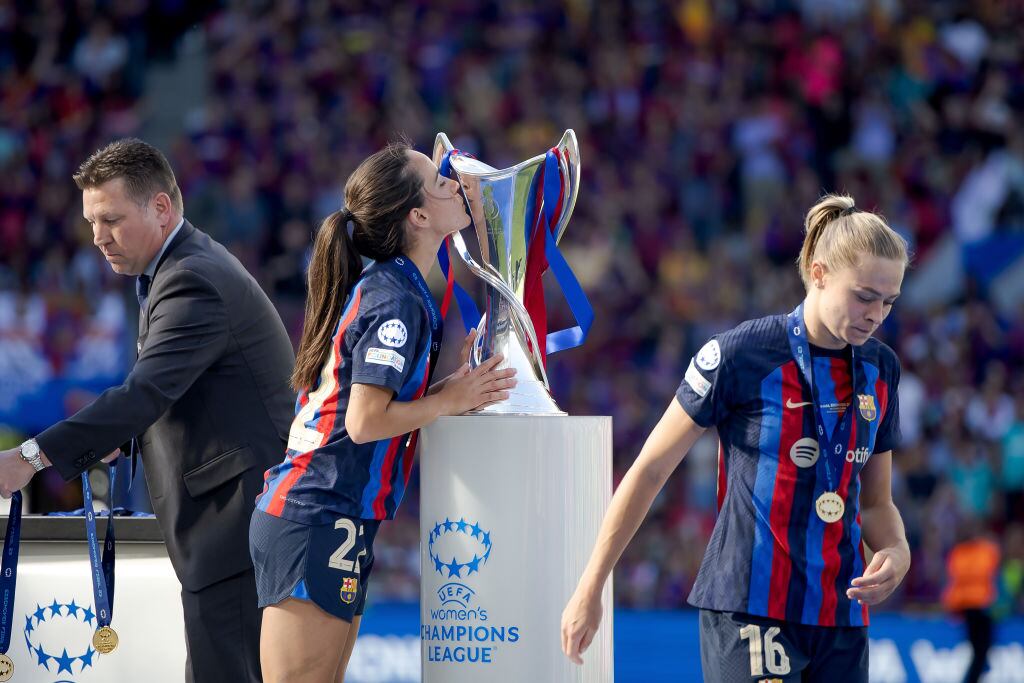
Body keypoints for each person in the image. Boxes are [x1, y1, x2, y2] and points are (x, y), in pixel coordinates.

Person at [562, 194, 910, 682]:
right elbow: (650, 469)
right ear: (819, 272)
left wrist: (897, 549)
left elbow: (875, 503)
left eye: (889, 300)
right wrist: (591, 585)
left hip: (841, 618)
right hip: (750, 610)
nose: (876, 314)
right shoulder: (740, 354)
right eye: (864, 296)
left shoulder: (881, 368)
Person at [0, 138, 296, 682]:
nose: (97, 238)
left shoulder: (191, 279)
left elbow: (144, 395)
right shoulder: (177, 267)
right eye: (92, 222)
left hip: (233, 527)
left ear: (161, 208)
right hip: (234, 525)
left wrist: (29, 457)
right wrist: (126, 436)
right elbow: (181, 391)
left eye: (110, 219)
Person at [249, 141, 516, 683]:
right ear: (418, 216)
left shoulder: (402, 289)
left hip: (337, 514)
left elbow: (375, 405)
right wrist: (449, 400)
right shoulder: (394, 297)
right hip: (315, 510)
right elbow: (364, 421)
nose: (455, 184)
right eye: (441, 183)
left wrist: (451, 387)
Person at [943, 516, 1001, 683]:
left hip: (971, 608)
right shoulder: (986, 550)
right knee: (980, 652)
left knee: (980, 652)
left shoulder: (959, 553)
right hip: (979, 608)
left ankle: (976, 674)